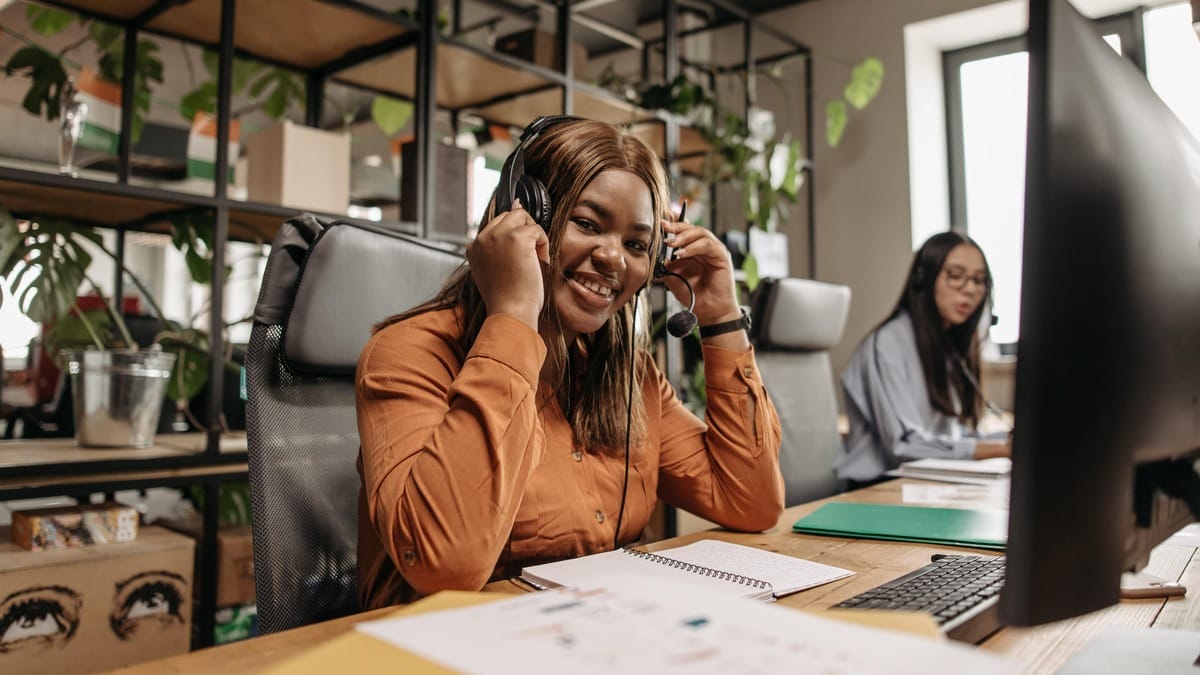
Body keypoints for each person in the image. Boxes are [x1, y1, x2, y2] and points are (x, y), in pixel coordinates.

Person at [355, 117, 784, 609]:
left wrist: (722, 315)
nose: (614, 259)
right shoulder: (409, 354)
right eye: (587, 223)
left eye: (637, 245)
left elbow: (752, 503)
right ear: (519, 216)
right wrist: (514, 315)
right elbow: (446, 564)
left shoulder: (632, 378)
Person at [837, 231, 1010, 487]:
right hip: (879, 488)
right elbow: (905, 445)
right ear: (923, 280)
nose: (970, 289)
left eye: (978, 280)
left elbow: (949, 436)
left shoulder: (945, 344)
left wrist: (1008, 440)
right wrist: (999, 449)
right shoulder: (887, 344)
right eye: (955, 276)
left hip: (926, 485)